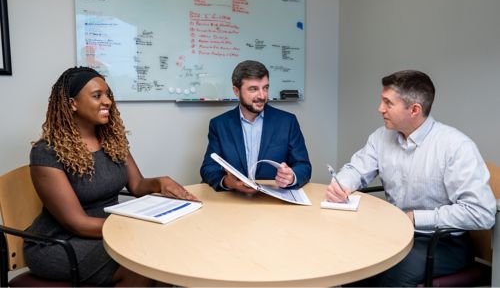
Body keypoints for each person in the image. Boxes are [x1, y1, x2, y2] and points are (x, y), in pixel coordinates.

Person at [25, 66, 199, 286]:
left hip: (109, 230)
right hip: (60, 243)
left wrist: (159, 182)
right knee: (142, 263)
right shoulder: (47, 152)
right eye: (97, 96)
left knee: (163, 254)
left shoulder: (113, 141)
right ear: (72, 104)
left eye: (108, 95)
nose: (107, 101)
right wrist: (134, 228)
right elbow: (77, 223)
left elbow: (136, 185)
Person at [326, 70, 496, 286]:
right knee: (355, 263)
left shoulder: (456, 147)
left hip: (442, 243)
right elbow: (356, 169)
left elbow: (481, 212)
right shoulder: (381, 137)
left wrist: (416, 218)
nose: (380, 109)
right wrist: (342, 185)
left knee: (388, 274)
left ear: (414, 109)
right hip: (396, 232)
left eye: (388, 103)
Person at [200, 60, 311, 193]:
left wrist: (291, 177)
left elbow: (303, 166)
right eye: (253, 89)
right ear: (236, 91)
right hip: (234, 201)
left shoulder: (287, 122)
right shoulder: (219, 125)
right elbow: (208, 168)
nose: (262, 96)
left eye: (265, 88)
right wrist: (227, 182)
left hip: (273, 201)